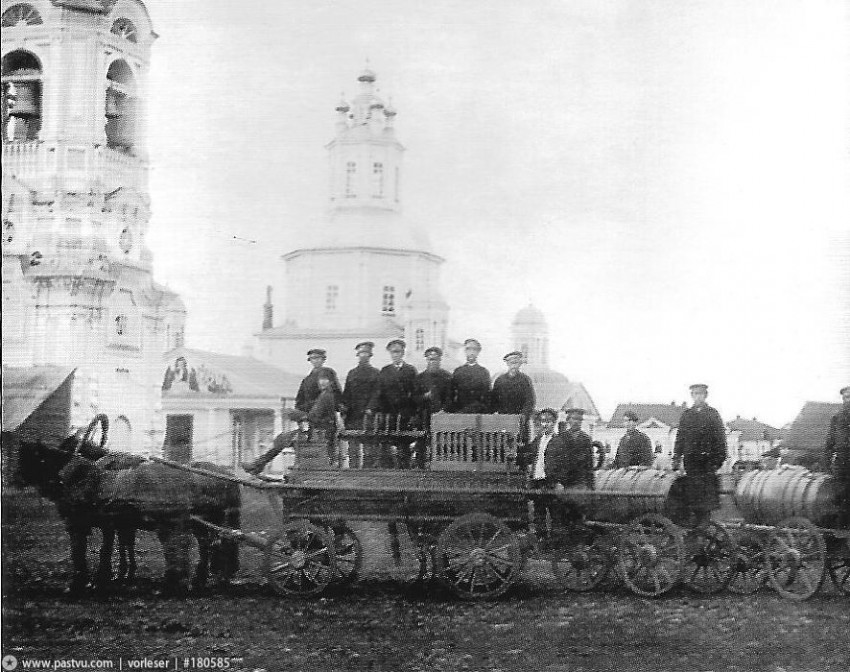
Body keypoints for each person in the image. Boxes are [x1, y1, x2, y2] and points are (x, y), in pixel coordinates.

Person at [243, 375, 338, 474]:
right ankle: (258, 465)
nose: (322, 382)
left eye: (325, 380)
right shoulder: (325, 395)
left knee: (282, 439)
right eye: (320, 380)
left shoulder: (326, 396)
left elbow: (314, 416)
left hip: (318, 433)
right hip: (317, 432)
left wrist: (294, 414)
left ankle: (258, 465)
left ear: (330, 382)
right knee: (282, 439)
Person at [672, 383, 727, 527]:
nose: (698, 397)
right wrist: (676, 460)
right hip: (691, 463)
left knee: (706, 498)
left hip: (708, 463)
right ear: (692, 396)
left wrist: (717, 461)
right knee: (692, 496)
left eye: (701, 394)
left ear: (705, 396)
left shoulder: (713, 414)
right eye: (695, 394)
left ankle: (704, 525)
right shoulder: (687, 415)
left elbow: (721, 440)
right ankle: (694, 526)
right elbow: (680, 438)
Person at [367, 339, 419, 468]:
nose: (395, 355)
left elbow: (415, 393)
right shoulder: (385, 371)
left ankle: (404, 469)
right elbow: (378, 392)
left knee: (404, 442)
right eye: (393, 352)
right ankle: (387, 470)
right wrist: (371, 407)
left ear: (403, 353)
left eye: (398, 352)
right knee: (386, 441)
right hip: (388, 413)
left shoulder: (410, 370)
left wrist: (414, 412)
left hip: (405, 413)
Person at [340, 341, 380, 468]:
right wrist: (343, 407)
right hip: (353, 415)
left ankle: (368, 472)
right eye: (361, 353)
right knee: (353, 446)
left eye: (366, 354)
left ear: (370, 355)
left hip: (368, 415)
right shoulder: (352, 373)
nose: (363, 356)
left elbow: (377, 393)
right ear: (358, 355)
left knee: (369, 446)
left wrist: (370, 408)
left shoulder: (375, 373)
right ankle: (353, 471)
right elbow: (346, 393)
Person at [490, 350, 535, 445]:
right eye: (511, 362)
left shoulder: (525, 380)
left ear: (520, 363)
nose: (513, 365)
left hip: (520, 421)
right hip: (503, 420)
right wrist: (496, 414)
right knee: (502, 446)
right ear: (507, 363)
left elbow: (530, 400)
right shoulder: (500, 380)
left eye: (516, 362)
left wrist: (523, 416)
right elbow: (494, 400)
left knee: (521, 448)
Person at [823, 385, 850, 527]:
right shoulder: (837, 417)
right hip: (843, 460)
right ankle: (841, 528)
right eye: (846, 397)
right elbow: (829, 443)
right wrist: (826, 464)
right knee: (841, 493)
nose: (848, 400)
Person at [450, 338, 491, 413]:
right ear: (465, 351)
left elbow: (487, 396)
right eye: (468, 349)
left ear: (478, 352)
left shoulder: (483, 372)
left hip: (479, 413)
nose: (471, 352)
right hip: (460, 412)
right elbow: (451, 394)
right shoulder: (458, 371)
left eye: (474, 349)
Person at [559, 407, 596, 489]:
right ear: (568, 420)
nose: (576, 422)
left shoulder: (586, 439)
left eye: (579, 419)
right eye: (574, 418)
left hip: (580, 482)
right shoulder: (562, 437)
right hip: (564, 482)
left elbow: (589, 464)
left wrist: (591, 487)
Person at [295, 349, 342, 413]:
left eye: (318, 358)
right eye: (313, 358)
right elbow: (300, 399)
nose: (316, 361)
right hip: (310, 413)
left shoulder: (329, 373)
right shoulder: (306, 380)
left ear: (323, 360)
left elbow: (337, 393)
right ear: (310, 360)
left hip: (326, 413)